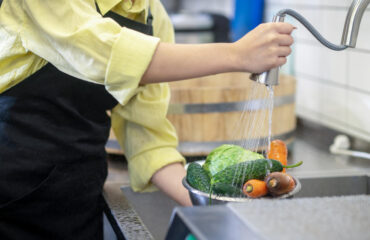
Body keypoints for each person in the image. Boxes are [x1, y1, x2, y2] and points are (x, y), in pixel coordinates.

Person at [0, 0, 294, 239]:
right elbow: (105, 55)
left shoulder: (152, 14)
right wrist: (236, 55)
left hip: (78, 188)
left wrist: (218, 205)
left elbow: (148, 137)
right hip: (11, 186)